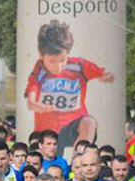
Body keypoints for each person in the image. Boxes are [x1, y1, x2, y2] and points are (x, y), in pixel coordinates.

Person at [25, 21, 113, 156]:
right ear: (41, 56)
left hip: (72, 127)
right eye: (52, 61)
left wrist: (106, 76)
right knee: (50, 157)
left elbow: (104, 73)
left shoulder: (79, 65)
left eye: (62, 60)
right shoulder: (40, 69)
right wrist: (37, 105)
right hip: (47, 131)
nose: (58, 67)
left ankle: (78, 158)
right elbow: (31, 98)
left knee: (89, 122)